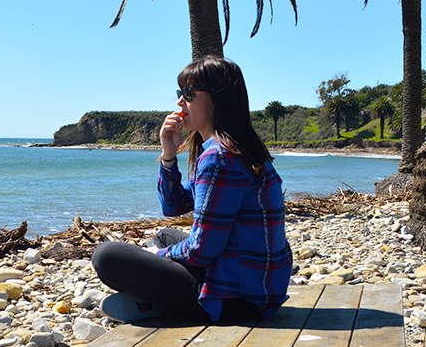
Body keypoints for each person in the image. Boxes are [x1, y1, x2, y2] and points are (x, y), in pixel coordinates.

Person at [92, 56, 292, 324]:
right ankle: (161, 300)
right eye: (180, 92)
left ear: (218, 99)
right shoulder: (231, 149)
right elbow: (174, 206)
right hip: (255, 288)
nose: (179, 102)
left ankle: (160, 303)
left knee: (106, 256)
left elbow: (201, 251)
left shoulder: (220, 158)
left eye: (188, 94)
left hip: (235, 301)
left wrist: (156, 256)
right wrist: (168, 156)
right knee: (164, 236)